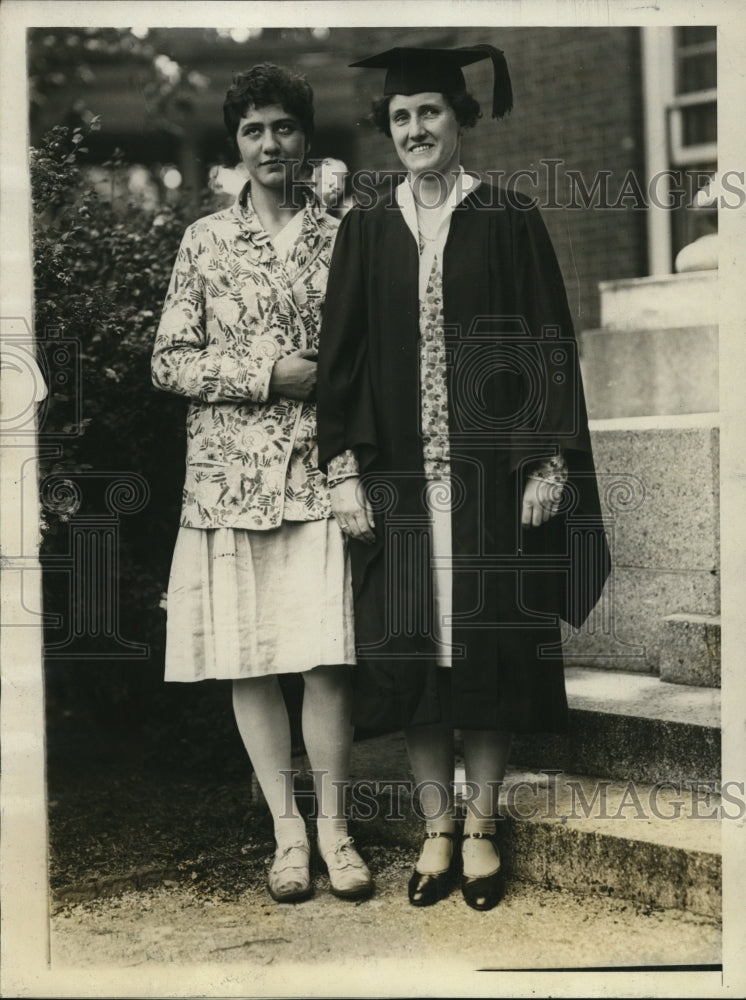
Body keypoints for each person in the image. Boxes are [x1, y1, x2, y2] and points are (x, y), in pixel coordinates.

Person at [317, 45, 610, 911]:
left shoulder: (511, 218)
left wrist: (548, 459)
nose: (415, 129)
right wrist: (343, 470)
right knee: (417, 654)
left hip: (490, 481)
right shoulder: (367, 226)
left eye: (430, 113)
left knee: (488, 648)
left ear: (460, 118)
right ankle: (435, 826)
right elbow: (344, 361)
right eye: (400, 116)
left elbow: (548, 345)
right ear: (389, 128)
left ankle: (481, 825)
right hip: (401, 481)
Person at [151, 63, 372, 904]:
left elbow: (364, 360)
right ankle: (286, 836)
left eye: (284, 127)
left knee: (324, 660)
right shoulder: (205, 241)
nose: (271, 143)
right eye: (254, 131)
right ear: (236, 146)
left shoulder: (347, 233)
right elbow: (169, 361)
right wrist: (262, 373)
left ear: (305, 139)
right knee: (248, 658)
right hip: (229, 480)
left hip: (323, 472)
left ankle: (337, 833)